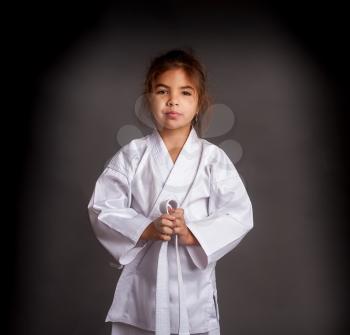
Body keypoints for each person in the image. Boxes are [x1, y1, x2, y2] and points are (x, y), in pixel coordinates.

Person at [87, 48, 254, 335]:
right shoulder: (132, 155)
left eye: (185, 93)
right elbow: (102, 207)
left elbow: (238, 213)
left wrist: (193, 234)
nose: (173, 100)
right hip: (142, 289)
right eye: (163, 91)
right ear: (149, 98)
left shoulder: (213, 159)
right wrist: (146, 229)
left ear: (199, 102)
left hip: (193, 290)